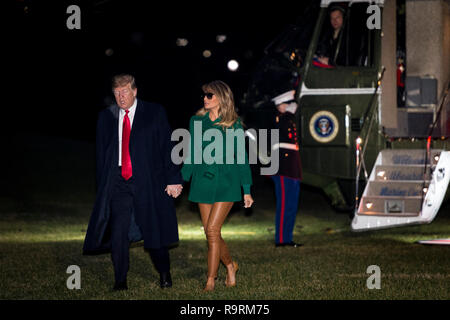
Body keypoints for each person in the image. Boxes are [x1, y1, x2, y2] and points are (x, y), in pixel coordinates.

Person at [83, 74, 183, 291]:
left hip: (148, 180)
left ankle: (164, 272)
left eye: (125, 91)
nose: (121, 97)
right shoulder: (106, 117)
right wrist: (103, 188)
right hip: (119, 182)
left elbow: (168, 147)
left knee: (152, 228)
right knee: (118, 231)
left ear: (135, 91)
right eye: (117, 93)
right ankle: (120, 280)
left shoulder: (154, 112)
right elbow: (101, 155)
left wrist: (174, 179)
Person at [181, 80, 254, 291]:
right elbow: (192, 155)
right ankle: (230, 266)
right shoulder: (196, 121)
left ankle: (210, 280)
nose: (205, 98)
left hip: (227, 183)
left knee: (212, 230)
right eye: (204, 95)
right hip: (202, 181)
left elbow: (241, 160)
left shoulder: (234, 124)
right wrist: (180, 180)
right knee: (211, 232)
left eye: (209, 95)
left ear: (221, 98)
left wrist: (246, 190)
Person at [270, 90, 303, 248]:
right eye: (287, 104)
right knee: (284, 205)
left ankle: (287, 238)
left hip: (292, 167)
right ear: (280, 106)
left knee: (291, 204)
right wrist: (290, 111)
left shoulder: (288, 119)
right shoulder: (280, 119)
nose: (290, 107)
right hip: (282, 167)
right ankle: (281, 240)